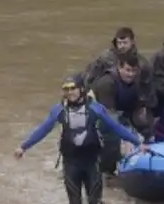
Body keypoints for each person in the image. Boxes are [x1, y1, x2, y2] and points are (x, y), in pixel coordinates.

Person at [14, 74, 142, 204]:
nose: (69, 92)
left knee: (95, 201)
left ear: (81, 89)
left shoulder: (95, 109)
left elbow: (116, 127)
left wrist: (138, 143)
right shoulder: (59, 111)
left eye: (73, 88)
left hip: (92, 163)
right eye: (66, 89)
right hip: (71, 164)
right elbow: (43, 129)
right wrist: (24, 147)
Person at [90, 51, 154, 175]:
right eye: (127, 70)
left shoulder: (135, 83)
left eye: (134, 71)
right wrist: (129, 138)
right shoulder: (107, 83)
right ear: (119, 67)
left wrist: (146, 132)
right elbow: (109, 119)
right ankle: (106, 172)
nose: (130, 74)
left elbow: (136, 112)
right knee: (112, 138)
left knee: (147, 131)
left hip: (120, 115)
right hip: (98, 118)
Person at [83, 27, 156, 111]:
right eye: (119, 43)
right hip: (107, 92)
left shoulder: (142, 63)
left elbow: (148, 88)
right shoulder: (105, 57)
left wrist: (146, 106)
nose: (122, 46)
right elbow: (90, 76)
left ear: (132, 42)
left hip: (132, 96)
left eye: (125, 43)